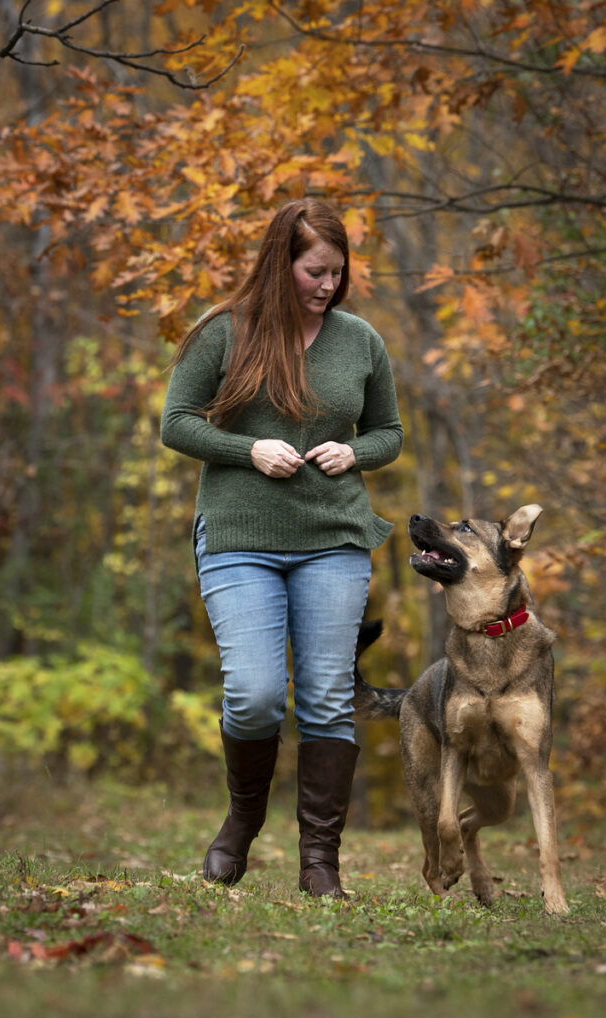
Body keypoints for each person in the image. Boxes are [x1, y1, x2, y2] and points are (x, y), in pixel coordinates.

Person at [160, 198, 403, 899]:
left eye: (337, 271)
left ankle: (319, 863)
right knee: (256, 693)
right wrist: (247, 448)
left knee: (326, 697)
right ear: (280, 264)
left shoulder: (359, 340)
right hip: (239, 536)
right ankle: (241, 822)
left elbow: (388, 433)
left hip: (333, 537)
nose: (327, 285)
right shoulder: (223, 332)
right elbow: (176, 424)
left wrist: (351, 452)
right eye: (314, 271)